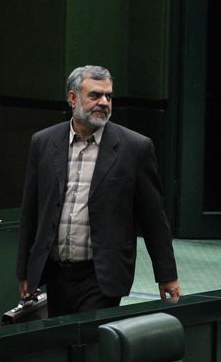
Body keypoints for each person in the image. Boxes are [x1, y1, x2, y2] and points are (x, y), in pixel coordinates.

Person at [15, 65, 181, 316]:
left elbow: (153, 218)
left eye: (108, 96)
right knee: (61, 336)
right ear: (73, 98)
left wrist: (166, 275)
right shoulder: (44, 142)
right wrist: (25, 271)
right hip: (55, 272)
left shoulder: (134, 147)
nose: (104, 102)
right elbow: (30, 211)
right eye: (95, 95)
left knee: (88, 336)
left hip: (101, 274)